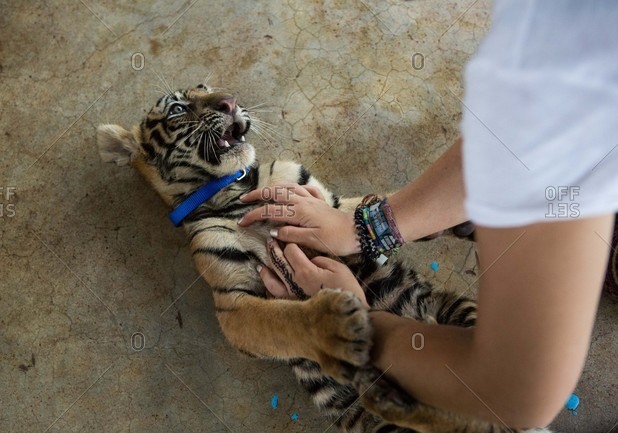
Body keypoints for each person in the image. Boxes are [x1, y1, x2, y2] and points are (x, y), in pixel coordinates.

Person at [238, 1, 618, 429]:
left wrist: (357, 328)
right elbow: (511, 136)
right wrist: (369, 227)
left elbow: (511, 393)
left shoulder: (579, 51)